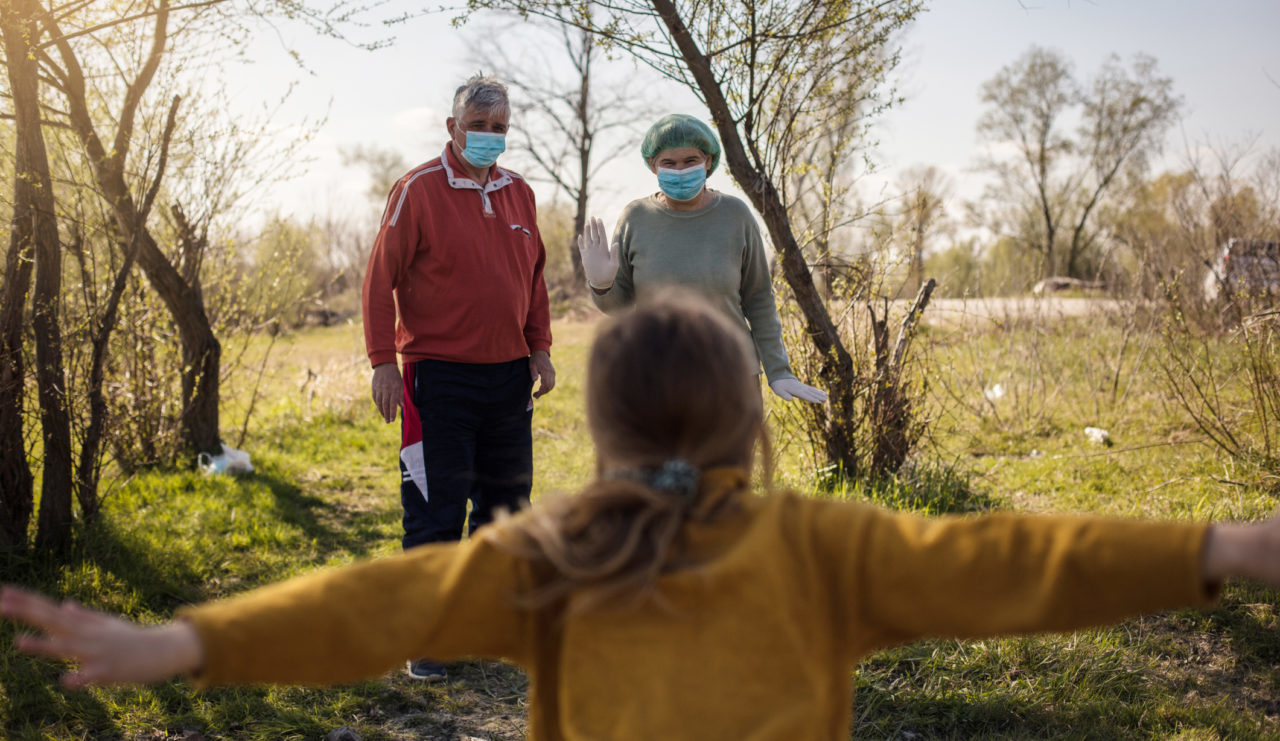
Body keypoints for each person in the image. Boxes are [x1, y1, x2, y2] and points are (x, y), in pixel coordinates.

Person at [6, 290, 1280, 740]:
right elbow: (1010, 559)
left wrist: (182, 644)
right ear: (749, 424)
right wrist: (1218, 547)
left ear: (602, 435)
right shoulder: (821, 545)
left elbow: (374, 603)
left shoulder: (552, 555)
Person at [361, 74, 555, 681]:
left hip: (508, 381)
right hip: (436, 380)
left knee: (506, 507)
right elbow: (378, 281)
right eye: (479, 126)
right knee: (435, 506)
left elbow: (535, 280)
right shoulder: (416, 189)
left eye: (500, 128)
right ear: (453, 127)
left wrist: (540, 350)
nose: (490, 138)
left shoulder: (520, 192)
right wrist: (381, 363)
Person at [578, 112, 826, 404]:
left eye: (690, 161)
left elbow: (759, 298)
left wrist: (778, 370)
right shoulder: (636, 218)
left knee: (732, 453)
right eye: (668, 163)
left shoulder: (736, 216)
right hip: (658, 377)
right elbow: (619, 307)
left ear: (708, 161)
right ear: (652, 165)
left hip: (731, 377)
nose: (680, 170)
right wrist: (601, 284)